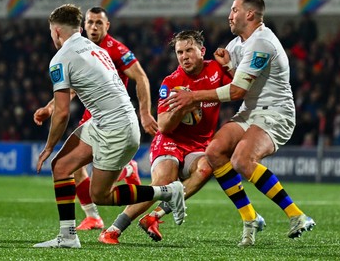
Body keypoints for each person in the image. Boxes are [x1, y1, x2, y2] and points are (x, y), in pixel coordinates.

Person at [166, 0, 315, 246]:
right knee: (214, 152)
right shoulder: (237, 45)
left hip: (276, 112)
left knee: (242, 160)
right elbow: (238, 85)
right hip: (250, 111)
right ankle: (250, 218)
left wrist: (193, 97)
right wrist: (227, 68)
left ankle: (297, 215)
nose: (229, 15)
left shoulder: (262, 42)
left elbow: (236, 91)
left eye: (234, 10)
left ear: (250, 14)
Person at [33, 4, 185, 248]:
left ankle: (167, 192)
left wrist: (49, 145)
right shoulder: (94, 49)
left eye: (51, 32)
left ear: (57, 31)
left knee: (101, 195)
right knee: (61, 167)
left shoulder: (60, 59)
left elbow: (62, 114)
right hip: (108, 121)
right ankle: (68, 236)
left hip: (115, 129)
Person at [98, 30, 240, 244]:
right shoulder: (171, 83)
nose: (184, 56)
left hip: (198, 145)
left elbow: (241, 88)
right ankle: (113, 230)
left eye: (189, 50)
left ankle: (153, 217)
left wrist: (229, 65)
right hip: (170, 141)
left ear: (202, 51)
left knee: (207, 166)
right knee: (163, 182)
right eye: (179, 52)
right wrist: (182, 109)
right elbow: (163, 126)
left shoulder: (216, 69)